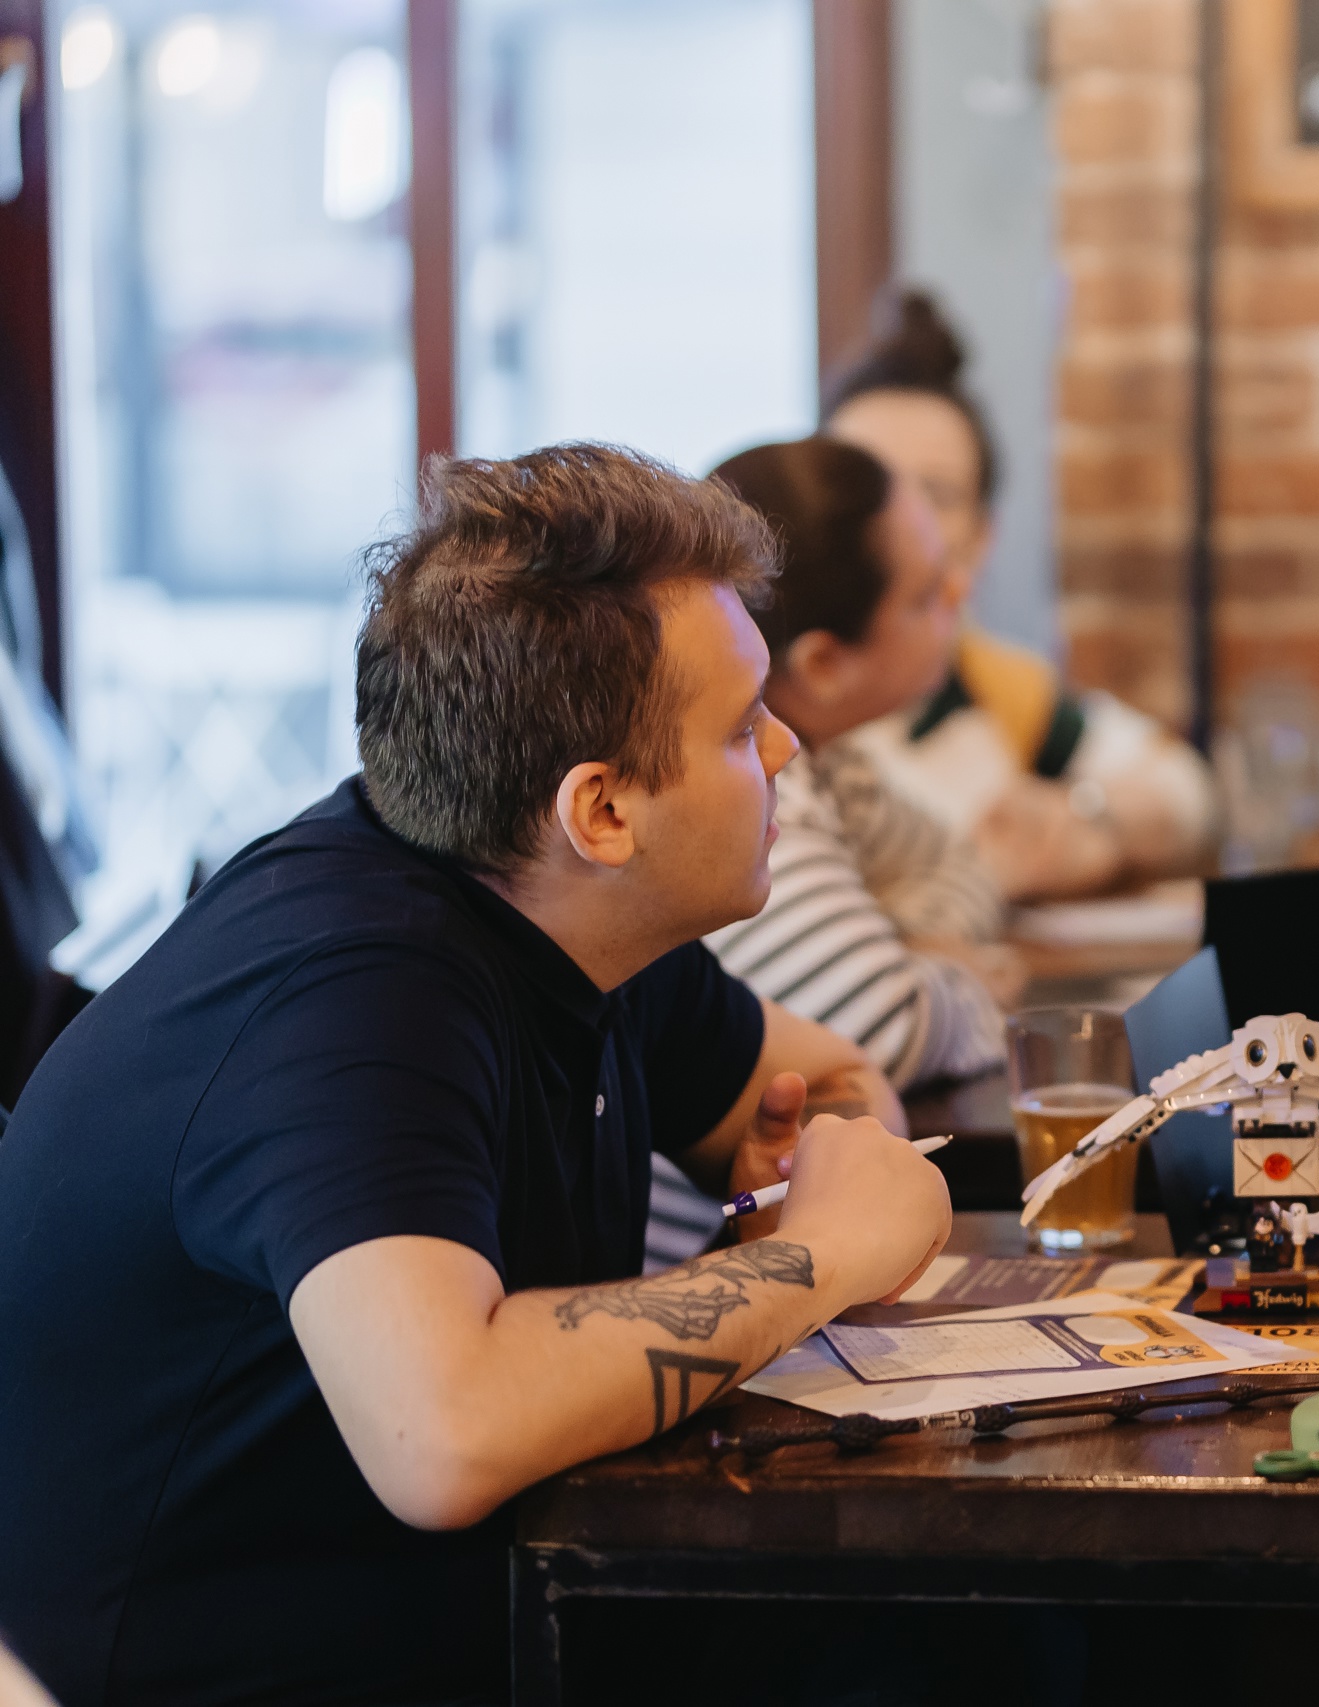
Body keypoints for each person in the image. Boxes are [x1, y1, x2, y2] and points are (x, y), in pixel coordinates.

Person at [0, 445, 954, 1706]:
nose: (784, 751)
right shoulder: (357, 994)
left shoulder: (563, 905)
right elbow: (440, 1434)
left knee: (949, 1641)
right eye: (739, 727)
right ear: (600, 812)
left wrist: (809, 1157)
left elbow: (826, 1077)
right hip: (202, 1676)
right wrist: (817, 1254)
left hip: (491, 1621)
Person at [632, 438, 1018, 1272]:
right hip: (658, 1291)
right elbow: (878, 1017)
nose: (959, 595)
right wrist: (951, 973)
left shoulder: (829, 766)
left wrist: (903, 940)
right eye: (925, 593)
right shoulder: (746, 793)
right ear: (823, 664)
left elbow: (965, 867)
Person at [822, 289, 1215, 899]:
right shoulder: (764, 707)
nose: (901, 528)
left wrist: (1084, 819)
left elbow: (1186, 791)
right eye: (867, 488)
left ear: (983, 537)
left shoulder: (995, 688)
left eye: (938, 494)